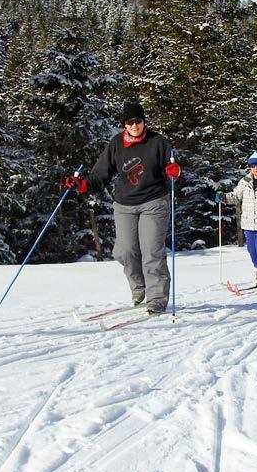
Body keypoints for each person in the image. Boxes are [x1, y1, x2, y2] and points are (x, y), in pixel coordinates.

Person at [64, 102, 180, 314]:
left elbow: (172, 168)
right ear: (124, 124)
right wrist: (82, 185)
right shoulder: (116, 144)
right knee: (125, 251)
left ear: (144, 121)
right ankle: (139, 288)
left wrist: (173, 171)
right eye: (130, 122)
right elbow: (101, 173)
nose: (134, 125)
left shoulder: (158, 142)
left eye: (138, 121)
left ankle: (157, 298)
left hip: (154, 202)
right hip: (125, 204)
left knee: (151, 251)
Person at [217, 152, 257, 289]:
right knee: (251, 249)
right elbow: (235, 196)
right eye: (253, 166)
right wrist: (224, 197)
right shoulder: (244, 182)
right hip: (248, 222)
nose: (255, 169)